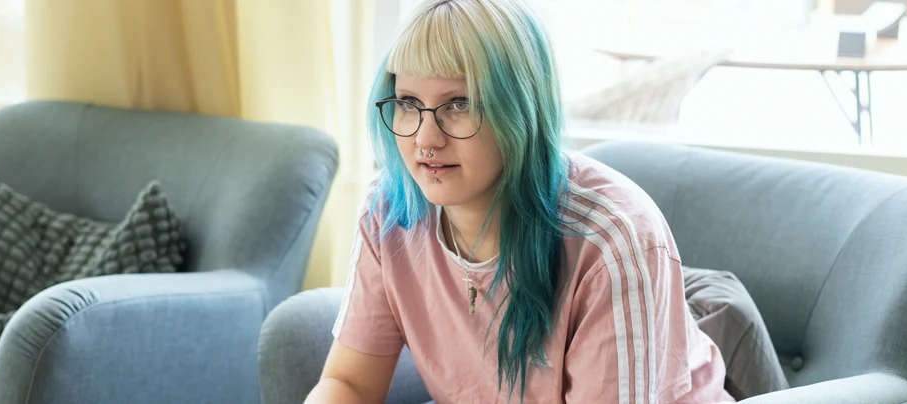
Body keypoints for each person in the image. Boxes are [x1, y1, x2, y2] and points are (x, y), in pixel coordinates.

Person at [306, 0, 736, 403]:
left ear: (520, 109)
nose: (424, 138)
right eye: (408, 103)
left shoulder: (612, 242)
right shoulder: (390, 212)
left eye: (460, 104)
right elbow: (349, 383)